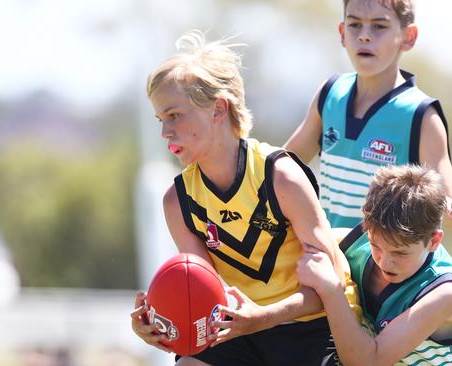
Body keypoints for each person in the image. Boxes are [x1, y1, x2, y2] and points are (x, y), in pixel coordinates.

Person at [130, 30, 354, 366]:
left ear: (218, 109)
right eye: (161, 119)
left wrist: (263, 316)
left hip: (309, 328)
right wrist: (160, 322)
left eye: (174, 115)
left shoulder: (281, 178)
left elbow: (330, 287)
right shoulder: (178, 201)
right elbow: (202, 297)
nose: (165, 132)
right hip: (237, 330)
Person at [285, 0, 452, 230]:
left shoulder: (422, 117)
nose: (364, 36)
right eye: (355, 25)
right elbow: (282, 168)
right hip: (329, 257)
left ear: (408, 36)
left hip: (383, 265)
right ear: (342, 33)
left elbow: (450, 216)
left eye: (379, 26)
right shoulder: (330, 94)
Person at [297, 165, 452, 365]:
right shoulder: (354, 245)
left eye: (400, 253)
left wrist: (331, 289)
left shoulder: (445, 293)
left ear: (434, 241)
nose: (384, 262)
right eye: (375, 245)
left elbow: (367, 361)